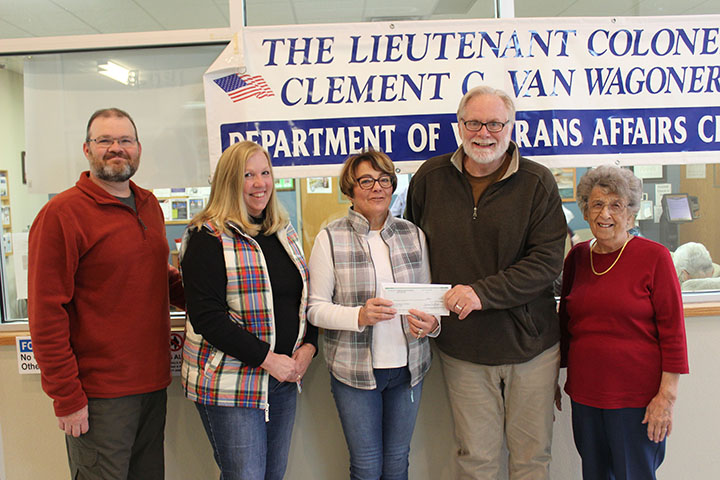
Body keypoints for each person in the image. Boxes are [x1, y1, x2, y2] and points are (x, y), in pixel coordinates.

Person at [405, 85, 566, 479]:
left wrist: (481, 293)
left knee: (531, 460)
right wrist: (422, 308)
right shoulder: (430, 178)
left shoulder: (537, 181)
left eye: (495, 123)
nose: (484, 133)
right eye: (474, 123)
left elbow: (547, 261)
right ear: (459, 126)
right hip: (464, 349)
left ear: (511, 127)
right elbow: (411, 252)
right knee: (475, 461)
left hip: (531, 346)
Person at [28, 107, 185, 479]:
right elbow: (46, 314)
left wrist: (214, 299)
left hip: (152, 385)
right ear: (87, 149)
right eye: (105, 141)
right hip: (98, 396)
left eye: (125, 140)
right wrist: (66, 397)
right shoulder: (61, 214)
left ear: (138, 148)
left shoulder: (149, 205)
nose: (117, 148)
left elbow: (155, 276)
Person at [180, 140, 317, 480]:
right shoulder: (206, 237)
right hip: (232, 384)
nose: (260, 183)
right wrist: (269, 360)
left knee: (273, 474)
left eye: (265, 173)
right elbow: (208, 318)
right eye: (248, 175)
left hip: (282, 380)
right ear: (229, 181)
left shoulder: (282, 231)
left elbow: (303, 296)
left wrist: (309, 346)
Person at [308, 149, 439, 480]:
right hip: (354, 372)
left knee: (397, 464)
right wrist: (359, 316)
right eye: (366, 181)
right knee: (366, 467)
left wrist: (432, 323)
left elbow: (429, 300)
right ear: (350, 190)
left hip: (407, 369)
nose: (377, 187)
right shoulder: (329, 238)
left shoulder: (413, 235)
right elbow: (315, 309)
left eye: (384, 180)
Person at [559, 165, 689, 480]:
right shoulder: (577, 257)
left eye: (616, 205)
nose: (605, 213)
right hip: (586, 397)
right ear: (585, 212)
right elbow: (566, 325)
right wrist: (550, 376)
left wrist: (666, 398)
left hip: (636, 401)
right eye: (597, 204)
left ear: (630, 214)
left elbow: (673, 333)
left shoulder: (655, 257)